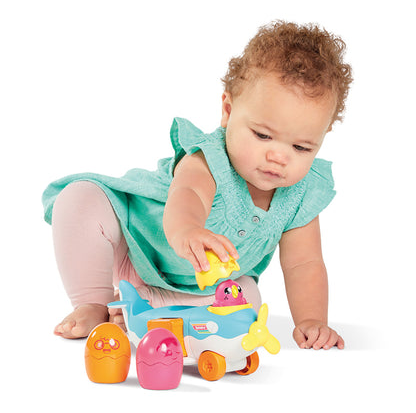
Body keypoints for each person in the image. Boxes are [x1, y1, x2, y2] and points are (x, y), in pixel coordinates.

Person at [42, 20, 353, 350]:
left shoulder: (301, 195)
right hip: (134, 248)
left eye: (301, 147)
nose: (278, 157)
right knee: (80, 199)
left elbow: (304, 264)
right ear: (228, 111)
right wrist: (187, 230)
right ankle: (93, 303)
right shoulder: (209, 159)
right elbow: (187, 194)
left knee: (247, 298)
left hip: (204, 287)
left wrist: (312, 320)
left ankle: (148, 304)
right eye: (263, 135)